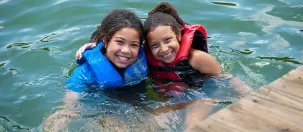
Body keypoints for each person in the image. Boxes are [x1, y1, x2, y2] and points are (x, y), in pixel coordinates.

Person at [44, 9, 149, 132]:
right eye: (119, 42)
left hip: (137, 102)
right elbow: (71, 102)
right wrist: (66, 114)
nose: (126, 50)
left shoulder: (145, 56)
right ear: (105, 40)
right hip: (102, 105)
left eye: (134, 45)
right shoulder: (84, 73)